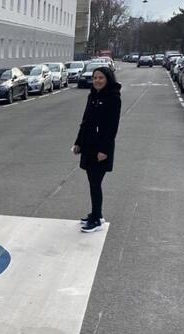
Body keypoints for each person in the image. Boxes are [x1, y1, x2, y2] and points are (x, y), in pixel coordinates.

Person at [72, 66, 121, 233]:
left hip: (101, 149)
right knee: (92, 182)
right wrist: (78, 142)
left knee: (95, 183)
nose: (97, 81)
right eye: (95, 78)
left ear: (108, 79)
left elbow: (111, 127)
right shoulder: (92, 95)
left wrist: (104, 150)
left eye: (100, 78)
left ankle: (97, 219)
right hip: (88, 145)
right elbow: (85, 121)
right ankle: (95, 214)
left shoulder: (113, 97)